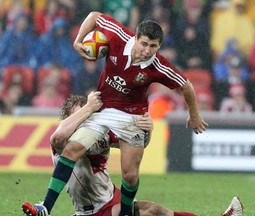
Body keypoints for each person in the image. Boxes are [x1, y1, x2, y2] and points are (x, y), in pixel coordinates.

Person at [23, 11, 208, 216]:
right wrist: (78, 41)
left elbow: (186, 86)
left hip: (132, 117)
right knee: (72, 147)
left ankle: (126, 213)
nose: (147, 50)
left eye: (153, 46)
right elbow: (93, 16)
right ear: (135, 38)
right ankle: (45, 207)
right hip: (102, 109)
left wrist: (195, 115)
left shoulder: (159, 66)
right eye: (144, 44)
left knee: (129, 175)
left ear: (159, 46)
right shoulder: (117, 35)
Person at [22, 92, 243, 216]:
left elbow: (137, 145)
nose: (86, 119)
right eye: (79, 115)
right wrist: (88, 108)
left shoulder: (100, 133)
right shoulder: (65, 140)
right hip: (92, 210)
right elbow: (57, 138)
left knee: (156, 211)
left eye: (89, 114)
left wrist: (147, 129)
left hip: (110, 198)